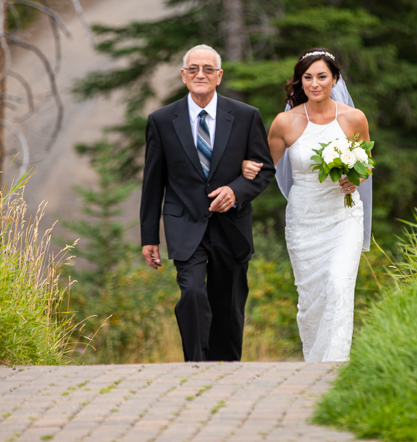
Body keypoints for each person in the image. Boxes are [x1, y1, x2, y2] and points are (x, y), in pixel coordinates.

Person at [140, 44, 275, 362]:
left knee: (228, 303)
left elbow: (263, 167)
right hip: (184, 223)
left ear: (219, 76)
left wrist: (236, 191)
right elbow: (152, 181)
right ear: (184, 76)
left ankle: (225, 371)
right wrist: (149, 237)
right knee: (192, 293)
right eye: (194, 69)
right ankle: (196, 365)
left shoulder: (245, 116)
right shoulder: (161, 120)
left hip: (232, 225)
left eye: (208, 69)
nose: (201, 74)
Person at [242, 48, 371, 362]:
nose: (315, 83)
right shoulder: (285, 123)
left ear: (335, 79)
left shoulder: (354, 118)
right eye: (308, 77)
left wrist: (355, 179)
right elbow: (263, 165)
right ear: (300, 81)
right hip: (304, 221)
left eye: (322, 76)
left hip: (343, 215)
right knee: (311, 301)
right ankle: (313, 365)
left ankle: (334, 367)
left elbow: (365, 164)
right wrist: (245, 168)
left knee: (339, 286)